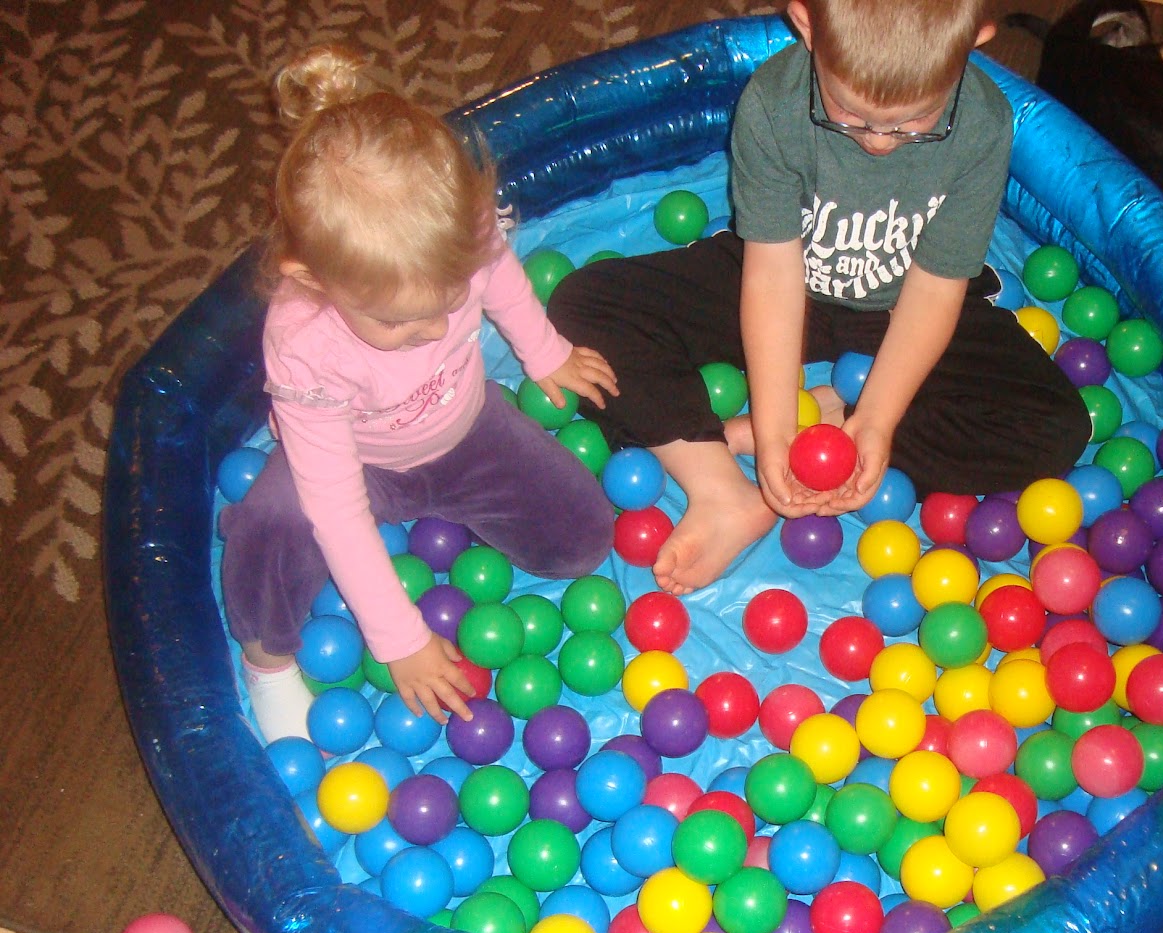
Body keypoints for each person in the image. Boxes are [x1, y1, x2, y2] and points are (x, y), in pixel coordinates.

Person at [548, 0, 1089, 597]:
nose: (880, 142)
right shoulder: (775, 104)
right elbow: (772, 274)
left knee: (1057, 428)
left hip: (901, 306)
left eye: (913, 123)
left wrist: (877, 419)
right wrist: (780, 419)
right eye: (851, 117)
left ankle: (827, 416)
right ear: (806, 27)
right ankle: (720, 489)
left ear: (976, 43)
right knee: (584, 306)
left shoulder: (983, 122)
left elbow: (936, 288)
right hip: (783, 280)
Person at [221, 43, 618, 744]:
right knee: (269, 529)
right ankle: (267, 660)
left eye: (444, 301)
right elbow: (337, 507)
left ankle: (455, 495)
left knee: (582, 541)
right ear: (312, 279)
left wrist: (544, 351)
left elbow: (501, 279)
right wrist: (398, 637)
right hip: (359, 466)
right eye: (399, 321)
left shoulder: (460, 234)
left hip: (466, 431)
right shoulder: (306, 340)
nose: (434, 329)